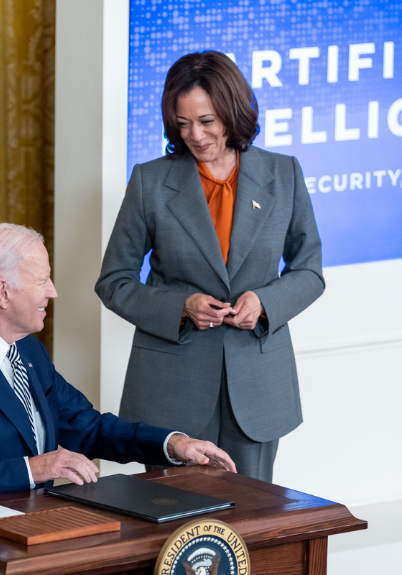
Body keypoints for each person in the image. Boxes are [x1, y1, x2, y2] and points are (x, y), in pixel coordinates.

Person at [95, 51, 325, 483]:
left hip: (255, 388)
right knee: (172, 533)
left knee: (248, 527)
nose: (195, 136)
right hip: (170, 388)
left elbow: (310, 271)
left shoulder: (284, 173)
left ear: (233, 112)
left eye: (207, 121)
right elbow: (114, 282)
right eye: (183, 124)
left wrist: (265, 301)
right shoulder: (149, 181)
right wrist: (181, 306)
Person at [0, 223, 236, 509]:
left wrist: (173, 444)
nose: (53, 292)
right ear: (3, 292)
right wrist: (33, 469)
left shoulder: (29, 351)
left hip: (40, 525)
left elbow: (87, 427)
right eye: (43, 280)